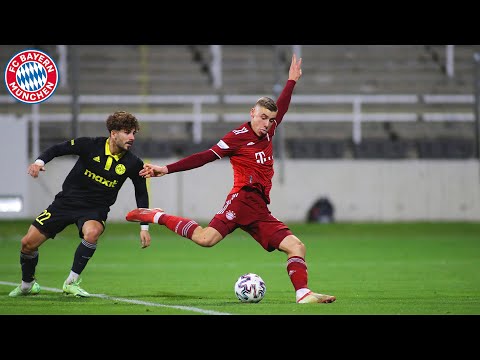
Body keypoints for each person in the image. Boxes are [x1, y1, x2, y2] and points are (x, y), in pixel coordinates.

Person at [126, 54, 336, 304]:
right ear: (252, 113)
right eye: (262, 117)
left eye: (271, 119)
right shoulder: (237, 136)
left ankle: (303, 294)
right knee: (206, 240)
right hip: (242, 200)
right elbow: (205, 156)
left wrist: (291, 81)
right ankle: (155, 215)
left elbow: (283, 105)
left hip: (259, 209)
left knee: (296, 246)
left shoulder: (268, 131)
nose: (267, 124)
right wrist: (167, 169)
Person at [9, 111, 151, 298]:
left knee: (92, 233)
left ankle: (71, 282)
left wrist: (144, 226)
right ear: (113, 133)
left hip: (95, 209)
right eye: (127, 132)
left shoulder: (133, 163)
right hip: (66, 203)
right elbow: (57, 149)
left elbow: (141, 192)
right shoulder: (89, 145)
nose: (132, 137)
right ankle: (28, 285)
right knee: (27, 244)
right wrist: (38, 162)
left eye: (134, 133)